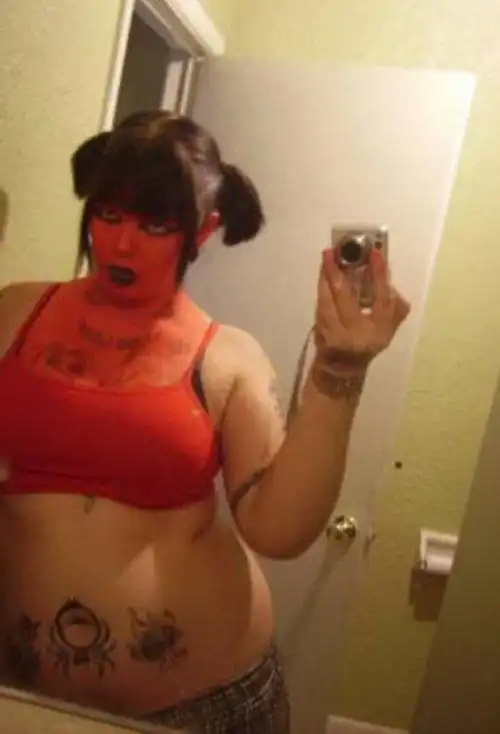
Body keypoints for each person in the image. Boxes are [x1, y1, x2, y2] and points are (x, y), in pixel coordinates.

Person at [0, 110, 410, 734]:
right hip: (26, 698)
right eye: (108, 214)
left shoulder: (227, 358)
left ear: (205, 228)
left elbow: (278, 531)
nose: (121, 244)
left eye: (155, 224)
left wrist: (339, 368)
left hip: (204, 707)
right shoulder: (16, 312)